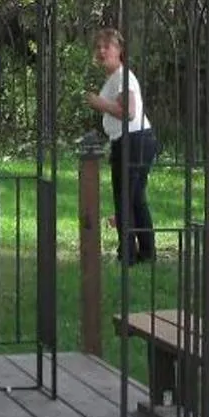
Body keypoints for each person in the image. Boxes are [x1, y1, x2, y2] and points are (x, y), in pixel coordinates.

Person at [86, 26, 156, 263]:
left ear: (120, 51)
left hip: (134, 141)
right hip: (132, 140)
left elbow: (128, 112)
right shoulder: (115, 78)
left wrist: (99, 103)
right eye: (99, 47)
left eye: (107, 46)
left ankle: (127, 255)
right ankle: (145, 253)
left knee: (125, 199)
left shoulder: (123, 77)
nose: (101, 51)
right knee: (134, 199)